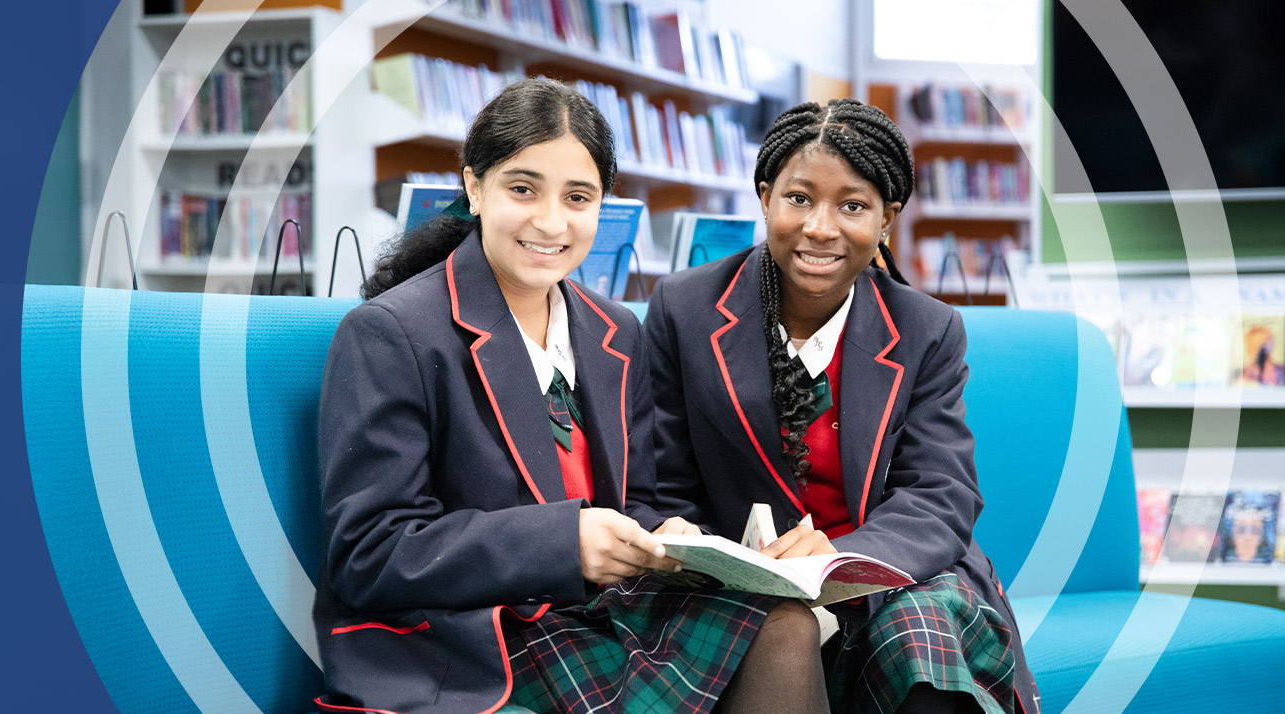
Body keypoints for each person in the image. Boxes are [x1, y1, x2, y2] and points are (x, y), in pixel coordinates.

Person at [314, 78, 827, 714]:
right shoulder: (391, 334)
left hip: (590, 611)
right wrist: (565, 543)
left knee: (784, 622)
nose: (551, 222)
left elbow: (635, 497)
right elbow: (370, 554)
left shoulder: (615, 330)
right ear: (474, 187)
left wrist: (668, 538)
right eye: (522, 188)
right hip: (470, 634)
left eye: (578, 197)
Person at [642, 98, 1040, 714]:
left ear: (887, 219)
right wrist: (694, 547)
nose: (821, 227)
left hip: (886, 572)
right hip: (737, 582)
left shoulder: (926, 329)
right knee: (771, 634)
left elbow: (941, 494)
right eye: (799, 198)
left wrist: (839, 556)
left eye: (852, 206)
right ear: (766, 195)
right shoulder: (684, 308)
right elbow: (659, 478)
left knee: (921, 646)